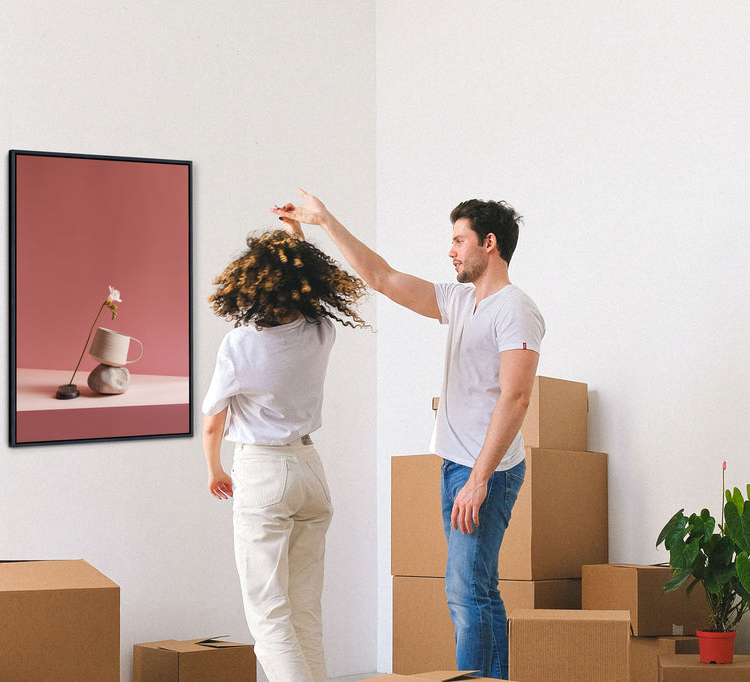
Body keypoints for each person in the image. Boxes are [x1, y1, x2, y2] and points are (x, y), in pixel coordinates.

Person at [272, 190, 544, 679]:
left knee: (468, 594)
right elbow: (381, 277)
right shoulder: (461, 300)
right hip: (457, 465)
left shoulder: (515, 310)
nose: (451, 250)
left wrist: (479, 479)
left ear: (490, 243)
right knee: (475, 590)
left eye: (459, 240)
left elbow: (516, 398)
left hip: (487, 471)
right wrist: (324, 222)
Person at [202, 207, 368, 682]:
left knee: (269, 616)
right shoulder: (321, 331)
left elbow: (213, 422)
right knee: (304, 611)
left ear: (250, 286)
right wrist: (296, 236)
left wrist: (214, 469)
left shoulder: (239, 345)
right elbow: (309, 294)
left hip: (262, 472)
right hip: (310, 470)